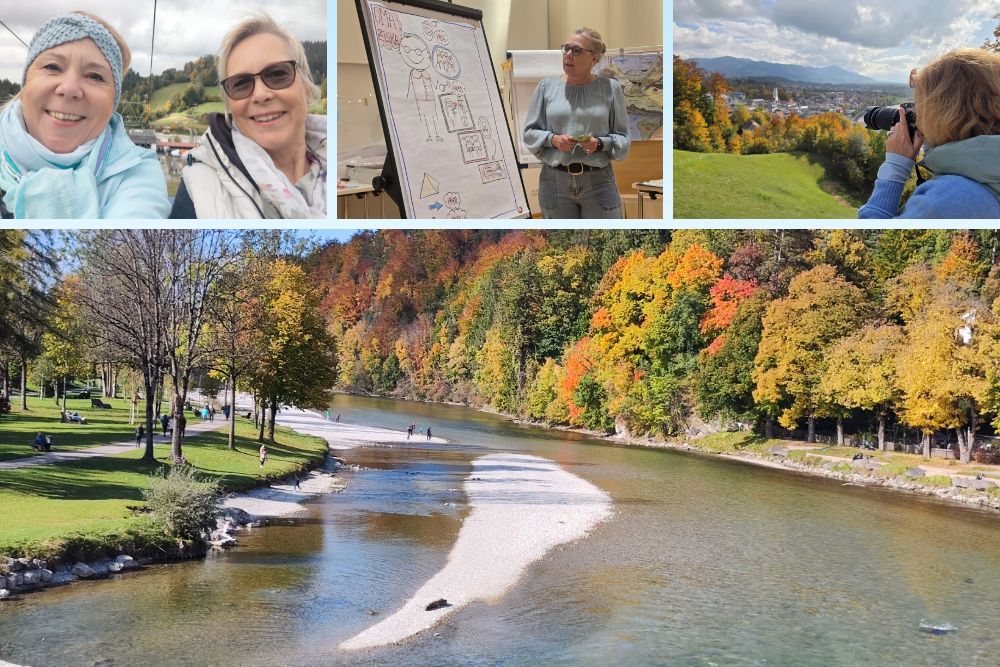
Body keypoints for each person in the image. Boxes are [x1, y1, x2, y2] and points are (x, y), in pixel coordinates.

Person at [0, 12, 168, 219]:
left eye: (95, 76)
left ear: (113, 99)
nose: (69, 88)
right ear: (26, 81)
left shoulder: (137, 172)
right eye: (52, 67)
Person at [169, 13, 326, 219]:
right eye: (241, 83)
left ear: (305, 87)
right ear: (230, 104)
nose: (260, 95)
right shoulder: (198, 187)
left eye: (278, 74)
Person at [859, 49, 1000, 219]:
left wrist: (895, 166)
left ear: (944, 114)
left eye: (921, 106)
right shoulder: (989, 177)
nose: (917, 116)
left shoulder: (951, 197)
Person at [523, 27, 630, 219]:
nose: (568, 55)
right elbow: (529, 133)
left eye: (577, 50)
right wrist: (553, 140)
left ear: (594, 58)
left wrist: (599, 144)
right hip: (554, 181)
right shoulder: (546, 87)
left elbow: (623, 139)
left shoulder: (610, 88)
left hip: (598, 180)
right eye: (566, 48)